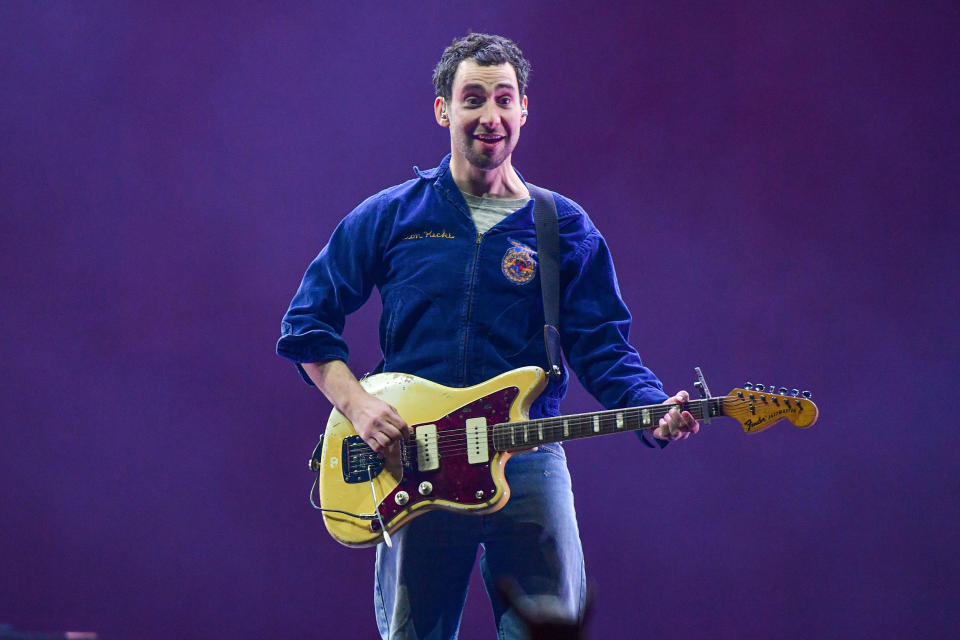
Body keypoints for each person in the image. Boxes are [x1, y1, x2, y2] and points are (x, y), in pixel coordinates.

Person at [277, 33, 700, 640]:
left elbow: (604, 347)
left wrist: (650, 407)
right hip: (413, 460)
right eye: (473, 98)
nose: (490, 115)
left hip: (527, 457)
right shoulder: (391, 215)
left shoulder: (563, 227)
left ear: (525, 109)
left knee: (550, 629)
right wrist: (360, 406)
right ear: (443, 109)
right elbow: (307, 325)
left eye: (505, 99)